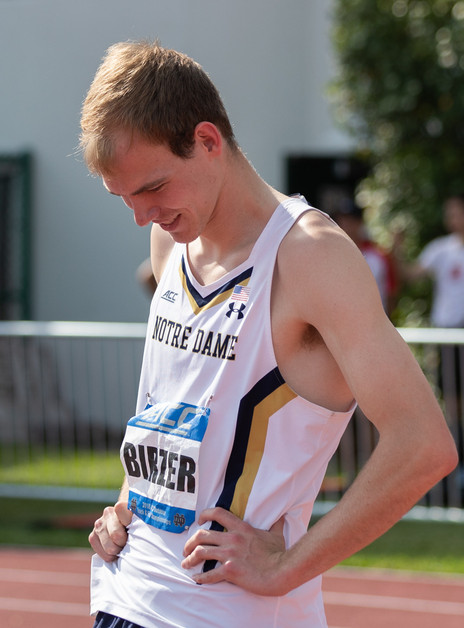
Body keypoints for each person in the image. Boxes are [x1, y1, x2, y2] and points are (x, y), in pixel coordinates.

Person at [79, 41, 457, 628]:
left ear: (208, 142)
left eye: (152, 188)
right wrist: (132, 500)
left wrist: (286, 568)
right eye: (123, 197)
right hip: (124, 593)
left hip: (229, 614)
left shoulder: (311, 257)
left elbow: (424, 444)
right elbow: (183, 411)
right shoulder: (172, 240)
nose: (140, 215)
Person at [398, 194, 464, 406]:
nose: (451, 217)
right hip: (445, 330)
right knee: (451, 392)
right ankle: (457, 437)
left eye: (456, 212)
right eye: (449, 213)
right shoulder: (441, 248)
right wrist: (397, 249)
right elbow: (411, 275)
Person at [331, 199, 398, 315]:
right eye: (342, 220)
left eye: (351, 221)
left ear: (360, 223)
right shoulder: (329, 256)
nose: (346, 225)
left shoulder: (379, 256)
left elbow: (391, 293)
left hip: (374, 326)